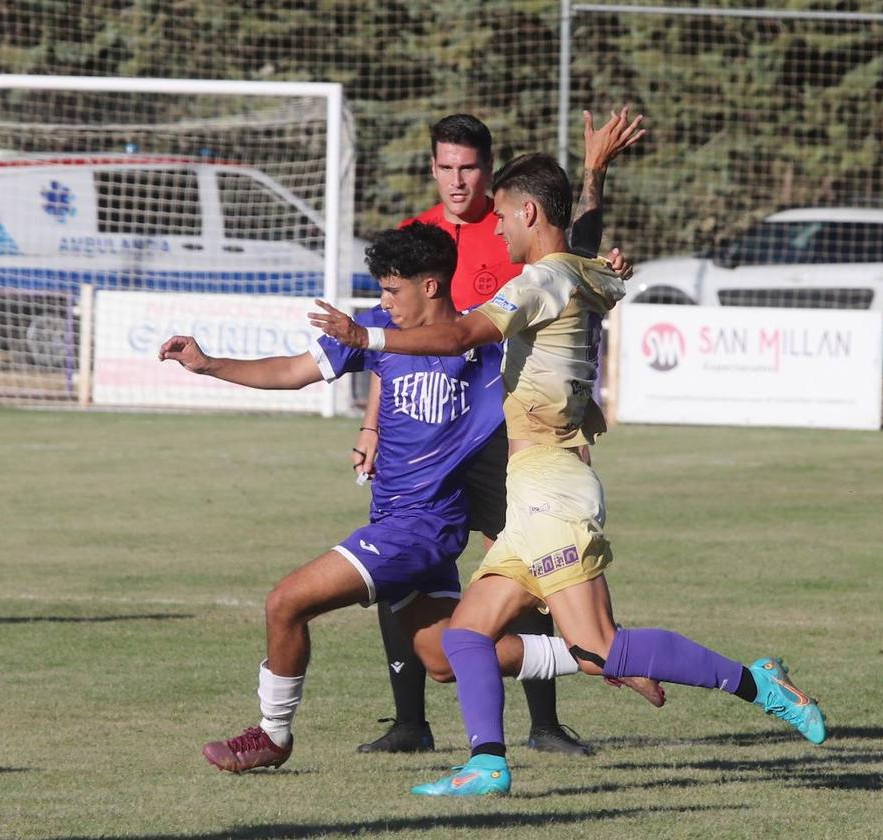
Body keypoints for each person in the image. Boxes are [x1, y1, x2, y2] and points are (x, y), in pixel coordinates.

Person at [310, 154, 829, 797]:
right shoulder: (586, 273)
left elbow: (457, 336)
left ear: (528, 212)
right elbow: (579, 239)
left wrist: (368, 336)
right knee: (464, 637)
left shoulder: (537, 283)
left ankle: (758, 682)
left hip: (553, 487)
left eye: (501, 216)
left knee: (601, 646)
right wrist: (593, 176)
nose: (496, 230)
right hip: (531, 487)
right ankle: (487, 764)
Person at [160, 222, 604, 774]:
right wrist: (209, 365)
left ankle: (273, 735)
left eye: (393, 290)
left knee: (285, 602)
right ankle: (596, 655)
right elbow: (293, 371)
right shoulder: (371, 331)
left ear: (432, 287)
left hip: (421, 529)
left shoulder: (483, 349)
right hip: (395, 518)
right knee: (442, 658)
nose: (383, 301)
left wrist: (597, 251)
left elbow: (560, 308)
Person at [352, 108, 647, 757]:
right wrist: (374, 423)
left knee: (526, 557)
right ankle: (410, 724)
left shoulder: (513, 228)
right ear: (432, 167)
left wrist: (594, 179)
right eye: (446, 167)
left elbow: (573, 256)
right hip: (428, 432)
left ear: (488, 172)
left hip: (494, 430)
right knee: (401, 556)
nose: (458, 180)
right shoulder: (416, 235)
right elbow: (397, 342)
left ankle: (542, 724)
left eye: (470, 167)